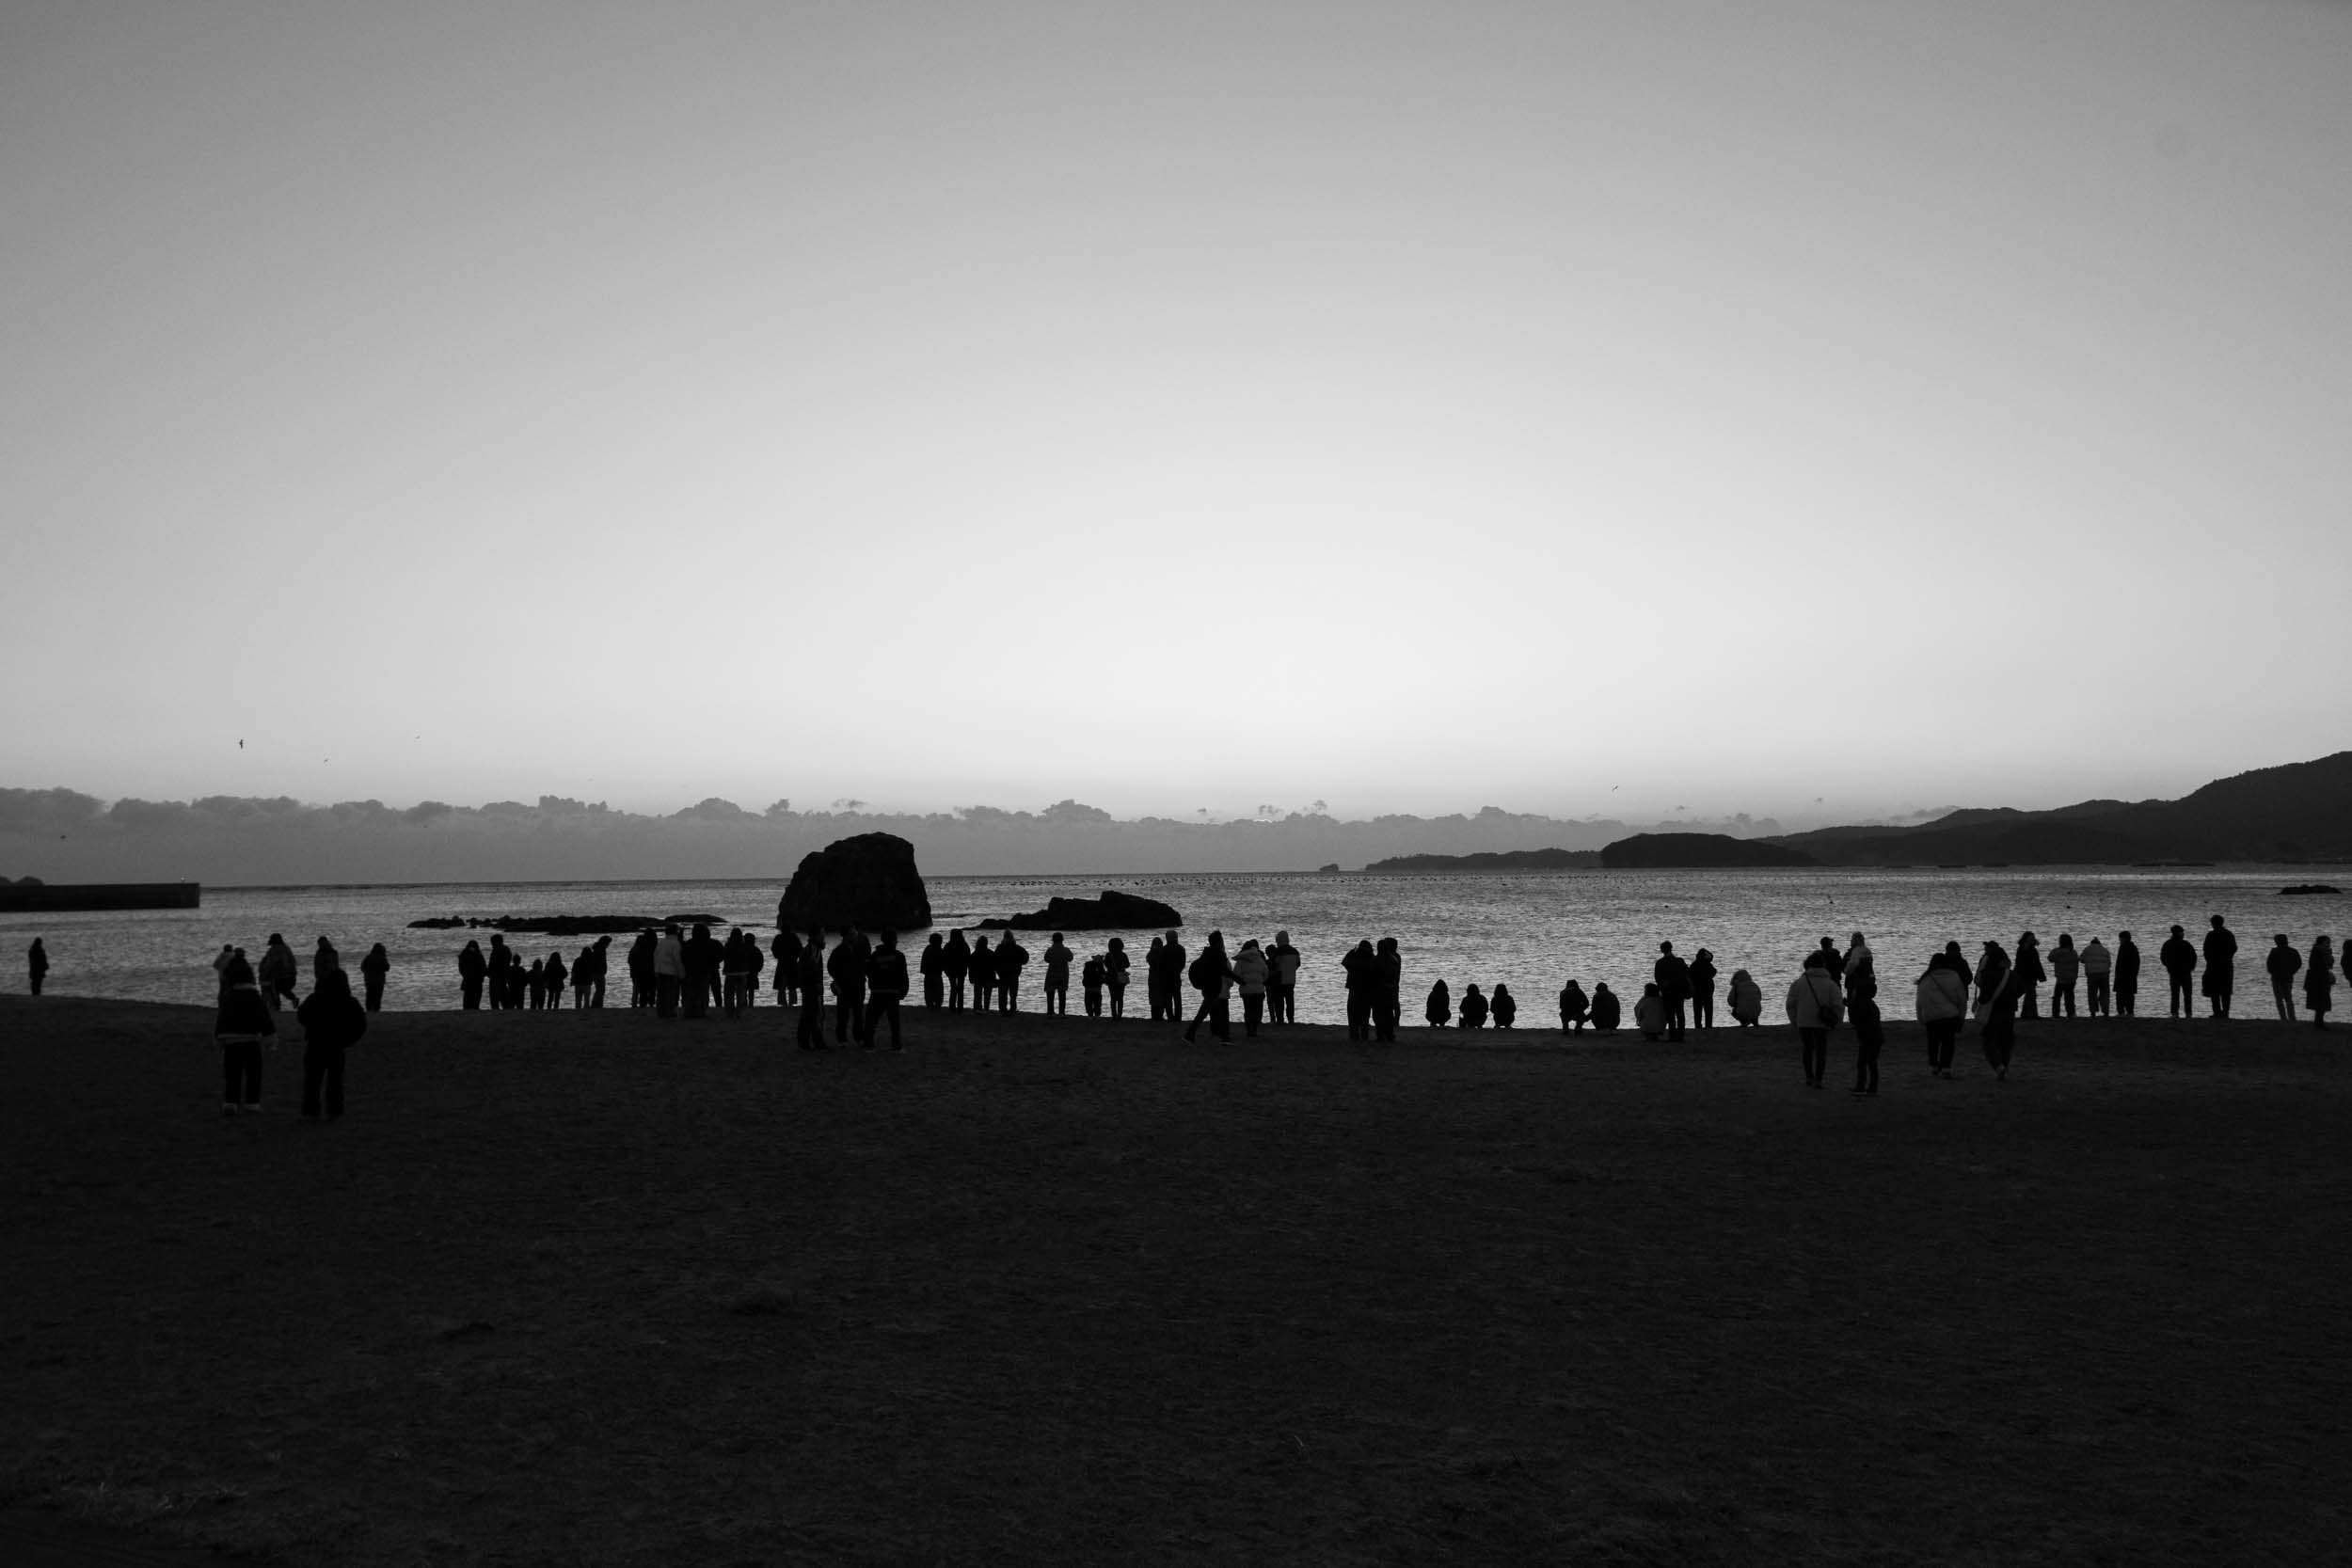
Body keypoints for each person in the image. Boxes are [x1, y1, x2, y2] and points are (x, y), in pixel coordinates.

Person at [295, 967, 367, 1120]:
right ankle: (334, 1111)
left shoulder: (315, 998)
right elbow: (360, 1025)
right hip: (336, 1046)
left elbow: (301, 1016)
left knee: (312, 1080)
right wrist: (347, 1040)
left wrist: (311, 1027)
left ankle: (311, 1111)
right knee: (335, 1081)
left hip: (316, 1044)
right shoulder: (349, 1001)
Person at [214, 954, 276, 1115]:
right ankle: (252, 1102)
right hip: (251, 1040)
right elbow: (264, 1018)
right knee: (253, 1073)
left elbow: (222, 1019)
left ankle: (230, 1102)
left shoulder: (228, 996)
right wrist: (270, 1038)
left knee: (232, 1074)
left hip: (231, 1042)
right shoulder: (254, 996)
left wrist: (218, 1039)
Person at [1786, 953, 1843, 1087]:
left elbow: (1790, 1004)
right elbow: (1838, 1005)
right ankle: (1819, 1079)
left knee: (1807, 1049)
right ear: (1823, 966)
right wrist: (1837, 1021)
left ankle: (1809, 1077)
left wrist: (1794, 1021)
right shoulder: (1831, 984)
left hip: (1803, 1021)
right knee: (1821, 1050)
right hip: (1823, 1022)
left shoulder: (1798, 983)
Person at [1915, 952, 1968, 1078]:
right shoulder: (1954, 976)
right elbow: (1961, 998)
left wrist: (1920, 1018)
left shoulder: (1926, 979)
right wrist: (1962, 1016)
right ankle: (1946, 1067)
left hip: (1931, 1016)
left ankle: (1934, 1065)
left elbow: (1920, 1000)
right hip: (1949, 1015)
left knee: (1933, 1042)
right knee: (1948, 1042)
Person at [1975, 941, 2018, 1080]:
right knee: (2006, 1041)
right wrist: (2011, 997)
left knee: (1988, 1040)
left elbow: (1984, 996)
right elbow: (2021, 988)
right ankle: (2004, 1066)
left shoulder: (1988, 975)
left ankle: (1998, 1067)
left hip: (1993, 1011)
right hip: (2010, 1010)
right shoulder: (2011, 975)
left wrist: (1981, 1003)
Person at [1184, 931, 1232, 1043]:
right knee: (1219, 1014)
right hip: (1217, 990)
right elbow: (1226, 972)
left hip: (1210, 989)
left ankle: (1192, 1035)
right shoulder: (1219, 956)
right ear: (1219, 942)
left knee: (1206, 1013)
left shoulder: (1207, 954)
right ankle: (1224, 1037)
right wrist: (1237, 980)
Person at [865, 931, 909, 1049]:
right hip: (892, 992)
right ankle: (896, 1045)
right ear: (894, 941)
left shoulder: (874, 955)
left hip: (877, 992)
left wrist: (873, 984)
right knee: (894, 1022)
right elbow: (903, 975)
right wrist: (903, 991)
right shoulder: (899, 956)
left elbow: (869, 971)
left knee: (871, 1020)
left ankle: (869, 1044)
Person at [828, 927, 868, 1042]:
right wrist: (837, 980)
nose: (855, 936)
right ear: (846, 936)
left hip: (858, 985)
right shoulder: (838, 951)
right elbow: (831, 968)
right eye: (853, 934)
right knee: (843, 1015)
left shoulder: (860, 949)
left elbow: (866, 965)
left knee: (858, 1014)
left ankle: (858, 1037)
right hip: (844, 987)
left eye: (855, 934)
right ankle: (842, 1039)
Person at [683, 923, 724, 1020]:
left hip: (693, 970)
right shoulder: (714, 943)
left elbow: (684, 956)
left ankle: (690, 1011)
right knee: (711, 991)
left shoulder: (689, 944)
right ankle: (711, 1008)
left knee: (693, 991)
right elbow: (722, 954)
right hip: (711, 969)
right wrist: (714, 962)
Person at [1232, 938, 1270, 1037]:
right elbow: (1266, 973)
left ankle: (1249, 1030)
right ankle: (1255, 1029)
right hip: (1258, 990)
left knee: (1248, 1011)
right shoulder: (1259, 959)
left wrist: (1242, 982)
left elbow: (1235, 974)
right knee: (1257, 1011)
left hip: (1246, 991)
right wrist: (1261, 981)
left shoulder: (1241, 960)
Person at [794, 934, 828, 1049]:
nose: (823, 937)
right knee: (810, 1014)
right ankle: (807, 1042)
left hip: (813, 987)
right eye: (821, 934)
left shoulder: (814, 950)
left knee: (813, 1015)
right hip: (811, 988)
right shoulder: (809, 951)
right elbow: (807, 971)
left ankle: (813, 1041)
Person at [1654, 942, 1692, 1041]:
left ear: (1662, 950)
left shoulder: (1660, 963)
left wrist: (1662, 989)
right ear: (1671, 948)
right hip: (1679, 991)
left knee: (1670, 1015)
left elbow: (1658, 979)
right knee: (1680, 1013)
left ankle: (1672, 1036)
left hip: (1667, 992)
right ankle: (1681, 1036)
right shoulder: (1679, 961)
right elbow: (1687, 973)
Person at [1849, 987, 1884, 1095]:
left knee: (1865, 1063)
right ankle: (1870, 1087)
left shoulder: (1862, 1005)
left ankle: (1864, 1087)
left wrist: (1851, 1007)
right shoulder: (1871, 1004)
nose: (1853, 993)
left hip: (1868, 1037)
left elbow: (1855, 1021)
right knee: (1870, 1063)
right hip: (1874, 1037)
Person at [2202, 914, 2238, 1019]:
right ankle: (2225, 1013)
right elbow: (2234, 948)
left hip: (2213, 965)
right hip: (2226, 965)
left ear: (2213, 923)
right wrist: (2227, 957)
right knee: (2226, 990)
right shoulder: (2228, 934)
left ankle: (2217, 1012)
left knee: (2215, 990)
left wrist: (2210, 959)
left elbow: (2206, 950)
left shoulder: (2211, 935)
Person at [2159, 925, 2198, 1018]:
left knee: (2175, 994)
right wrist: (2191, 967)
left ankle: (2175, 1013)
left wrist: (2169, 967)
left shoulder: (2168, 944)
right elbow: (2194, 957)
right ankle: (2188, 1014)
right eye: (2181, 932)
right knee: (2187, 994)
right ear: (2178, 933)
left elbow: (2163, 958)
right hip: (2185, 972)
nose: (2183, 934)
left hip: (2174, 972)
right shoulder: (2186, 944)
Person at [1343, 940, 1376, 1040]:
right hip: (1367, 989)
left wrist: (1353, 951)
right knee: (1365, 1014)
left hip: (1354, 988)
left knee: (1352, 1013)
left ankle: (1354, 1035)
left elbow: (1345, 962)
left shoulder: (1354, 957)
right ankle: (1364, 1035)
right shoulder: (1371, 958)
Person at [2265, 933, 2303, 1022]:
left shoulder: (2274, 951)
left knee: (2279, 999)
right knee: (2288, 998)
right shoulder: (2293, 951)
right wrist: (2292, 972)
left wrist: (2273, 973)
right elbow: (2298, 963)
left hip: (2277, 978)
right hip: (2288, 977)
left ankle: (2283, 1017)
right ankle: (2292, 1017)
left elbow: (2269, 965)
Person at [258, 933, 299, 1012]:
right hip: (291, 975)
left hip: (280, 975)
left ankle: (278, 1006)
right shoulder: (286, 948)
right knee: (282, 989)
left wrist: (264, 973)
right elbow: (291, 962)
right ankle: (292, 999)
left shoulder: (274, 950)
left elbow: (270, 964)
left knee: (275, 989)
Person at [1374, 937, 1403, 1040]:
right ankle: (1391, 1029)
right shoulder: (1395, 958)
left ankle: (1382, 1033)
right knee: (1390, 1009)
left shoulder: (1377, 959)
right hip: (1391, 986)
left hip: (1380, 988)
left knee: (1379, 1011)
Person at [1268, 931, 1301, 1024]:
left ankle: (1280, 1019)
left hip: (1280, 979)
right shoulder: (1295, 951)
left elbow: (1273, 963)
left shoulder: (1278, 951)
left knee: (1279, 1001)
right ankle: (1291, 1019)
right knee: (1290, 1000)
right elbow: (1298, 964)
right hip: (1291, 979)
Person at [652, 925, 684, 1019]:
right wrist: (681, 972)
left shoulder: (661, 942)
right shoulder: (675, 943)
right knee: (670, 994)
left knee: (661, 994)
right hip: (670, 971)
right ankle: (670, 1012)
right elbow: (677, 959)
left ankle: (661, 1012)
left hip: (660, 971)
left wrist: (656, 969)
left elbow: (655, 956)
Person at [2011, 933, 2044, 1019]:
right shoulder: (2024, 949)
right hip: (2024, 975)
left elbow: (2036, 963)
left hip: (2029, 975)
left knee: (2029, 994)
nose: (2032, 939)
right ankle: (2031, 1014)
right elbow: (2021, 964)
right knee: (2030, 994)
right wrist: (2041, 975)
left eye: (2033, 938)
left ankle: (2026, 1014)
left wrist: (2041, 975)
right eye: (2030, 938)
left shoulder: (2030, 949)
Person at [2305, 936, 2335, 1029]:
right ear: (2321, 943)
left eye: (2329, 942)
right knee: (2321, 1002)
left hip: (2320, 979)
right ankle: (2319, 1023)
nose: (2328, 944)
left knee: (2321, 1002)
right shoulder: (2320, 951)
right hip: (2319, 980)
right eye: (2326, 942)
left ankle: (2319, 1022)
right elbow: (2326, 965)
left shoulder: (2321, 951)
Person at [995, 932, 1029, 1013]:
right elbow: (1026, 957)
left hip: (1003, 973)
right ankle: (1012, 1008)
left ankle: (1003, 1009)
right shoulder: (1017, 948)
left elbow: (995, 960)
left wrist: (997, 970)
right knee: (1013, 993)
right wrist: (1020, 963)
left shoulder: (1000, 948)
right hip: (1014, 973)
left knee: (1003, 992)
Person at [2048, 935, 2080, 1019]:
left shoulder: (2058, 952)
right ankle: (2071, 1013)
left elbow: (2050, 958)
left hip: (2061, 978)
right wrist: (2075, 975)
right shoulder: (2073, 952)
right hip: (2071, 978)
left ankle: (2055, 1014)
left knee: (2057, 997)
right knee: (2069, 996)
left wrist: (2057, 950)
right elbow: (2076, 964)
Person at [1042, 933, 1074, 1016]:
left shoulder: (1050, 950)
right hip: (1063, 974)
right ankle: (1062, 1012)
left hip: (1052, 974)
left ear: (1053, 940)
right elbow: (1070, 958)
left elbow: (1046, 959)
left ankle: (1050, 1012)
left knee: (1050, 993)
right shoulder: (1066, 950)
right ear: (1062, 939)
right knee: (1062, 993)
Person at [2080, 935, 2112, 1017]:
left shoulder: (2087, 949)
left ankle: (2093, 1012)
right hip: (2104, 973)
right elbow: (2109, 963)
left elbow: (2082, 959)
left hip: (2092, 974)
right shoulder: (2105, 950)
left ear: (2091, 943)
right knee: (2104, 993)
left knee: (2092, 993)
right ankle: (2106, 1011)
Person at [1689, 948, 1717, 1030]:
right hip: (1707, 991)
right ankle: (1708, 1026)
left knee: (1697, 1012)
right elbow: (1714, 971)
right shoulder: (1707, 964)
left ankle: (1698, 1027)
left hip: (1697, 991)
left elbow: (1689, 975)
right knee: (1708, 1011)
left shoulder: (1694, 965)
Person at [1843, 933, 1876, 1003]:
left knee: (1855, 1005)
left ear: (1856, 940)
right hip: (1869, 983)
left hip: (1857, 984)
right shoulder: (1867, 950)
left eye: (1852, 939)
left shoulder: (1856, 951)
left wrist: (1846, 971)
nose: (1851, 941)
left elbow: (1852, 965)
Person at [2114, 931, 2141, 1018]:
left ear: (2124, 938)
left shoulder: (2124, 948)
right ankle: (2129, 1012)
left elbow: (2120, 963)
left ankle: (2122, 1012)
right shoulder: (2133, 948)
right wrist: (2134, 973)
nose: (2120, 940)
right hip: (2130, 976)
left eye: (2120, 938)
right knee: (2129, 995)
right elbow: (2137, 962)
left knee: (2121, 995)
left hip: (2124, 975)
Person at [628, 930, 658, 1008]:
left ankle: (641, 1005)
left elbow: (631, 961)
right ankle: (649, 1004)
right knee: (649, 990)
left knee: (642, 991)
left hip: (641, 972)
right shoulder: (652, 946)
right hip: (646, 972)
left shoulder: (638, 948)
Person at [358, 942, 389, 1012]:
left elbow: (362, 967)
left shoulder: (368, 957)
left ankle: (369, 1011)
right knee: (377, 997)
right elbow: (387, 968)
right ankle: (376, 1011)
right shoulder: (382, 958)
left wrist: (367, 973)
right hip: (379, 981)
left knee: (369, 996)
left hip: (369, 980)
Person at [485, 934, 515, 1011]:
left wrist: (488, 972)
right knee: (504, 997)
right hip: (503, 977)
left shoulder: (497, 951)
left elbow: (493, 964)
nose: (491, 944)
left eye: (492, 942)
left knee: (495, 999)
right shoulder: (506, 949)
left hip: (496, 977)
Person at [1105, 937, 1131, 1020]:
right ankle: (1120, 1015)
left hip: (1111, 977)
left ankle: (1114, 1015)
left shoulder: (1108, 955)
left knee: (1113, 998)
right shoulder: (1123, 955)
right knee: (1120, 997)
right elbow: (1127, 965)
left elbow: (1106, 965)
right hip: (1121, 977)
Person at [919, 933, 946, 1010]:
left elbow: (923, 962)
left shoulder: (927, 949)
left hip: (928, 974)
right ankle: (937, 1005)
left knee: (929, 991)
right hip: (936, 974)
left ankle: (930, 1005)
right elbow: (943, 962)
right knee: (938, 991)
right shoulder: (939, 950)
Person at [457, 939, 486, 1009]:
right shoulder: (478, 955)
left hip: (468, 979)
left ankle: (468, 1009)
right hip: (476, 979)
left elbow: (461, 968)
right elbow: (483, 966)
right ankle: (474, 1008)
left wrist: (465, 975)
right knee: (475, 998)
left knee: (467, 998)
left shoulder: (464, 955)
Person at [970, 936, 996, 1012]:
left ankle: (977, 1008)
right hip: (989, 977)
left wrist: (971, 978)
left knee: (977, 995)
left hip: (977, 977)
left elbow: (971, 968)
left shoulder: (974, 954)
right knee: (987, 995)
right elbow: (995, 966)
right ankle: (986, 1009)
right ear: (986, 943)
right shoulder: (991, 953)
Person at [1081, 952, 1106, 1016]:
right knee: (1097, 1002)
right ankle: (1097, 1014)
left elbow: (1084, 974)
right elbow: (1103, 975)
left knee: (1088, 1002)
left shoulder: (1087, 965)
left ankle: (1090, 1014)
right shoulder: (1100, 966)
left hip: (1088, 987)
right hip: (1097, 987)